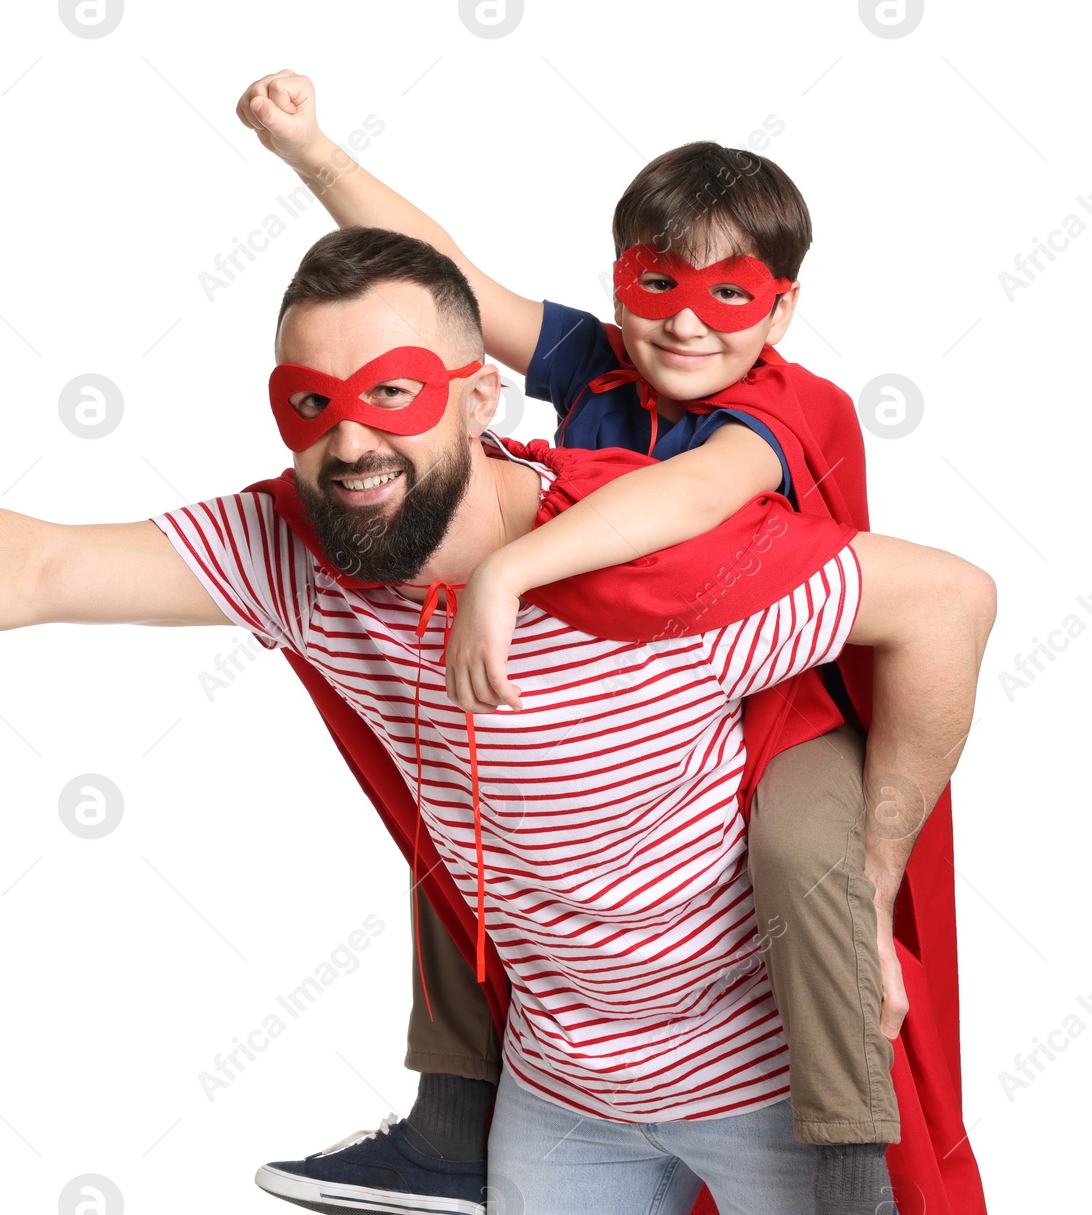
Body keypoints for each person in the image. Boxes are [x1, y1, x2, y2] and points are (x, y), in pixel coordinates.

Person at [0, 227, 993, 1214]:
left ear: (483, 396)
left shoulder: (649, 552)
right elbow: (29, 560)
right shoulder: (296, 544)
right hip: (555, 1107)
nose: (347, 441)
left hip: (757, 1095)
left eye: (391, 393)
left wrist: (868, 869)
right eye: (308, 403)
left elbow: (947, 602)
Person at [235, 70, 929, 1214]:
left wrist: (510, 569)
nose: (688, 320)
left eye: (729, 295)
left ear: (783, 311)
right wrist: (310, 152)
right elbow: (443, 275)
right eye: (655, 284)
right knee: (458, 810)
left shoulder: (793, 406)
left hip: (771, 709)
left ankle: (851, 1171)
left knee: (805, 865)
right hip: (618, 697)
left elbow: (698, 498)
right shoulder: (594, 363)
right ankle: (451, 1125)